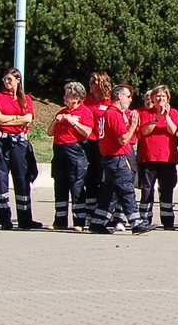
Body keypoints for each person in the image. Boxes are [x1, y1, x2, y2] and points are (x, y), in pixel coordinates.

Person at [0, 68, 44, 230]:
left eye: (10, 79)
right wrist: (16, 119)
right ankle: (5, 219)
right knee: (1, 180)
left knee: (22, 179)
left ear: (18, 80)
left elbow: (27, 119)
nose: (7, 82)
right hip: (0, 144)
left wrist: (7, 121)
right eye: (5, 79)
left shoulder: (26, 100)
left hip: (19, 144)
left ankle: (25, 218)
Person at [90, 84, 145, 235]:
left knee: (110, 191)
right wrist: (133, 125)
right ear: (119, 96)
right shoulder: (113, 114)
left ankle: (97, 222)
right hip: (116, 158)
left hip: (111, 158)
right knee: (126, 189)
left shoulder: (110, 113)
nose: (130, 100)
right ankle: (136, 222)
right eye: (128, 96)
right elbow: (123, 138)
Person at [136, 85, 178, 231]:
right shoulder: (144, 113)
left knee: (167, 189)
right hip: (148, 157)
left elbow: (173, 130)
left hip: (167, 158)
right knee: (147, 189)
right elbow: (144, 131)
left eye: (163, 96)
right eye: (157, 96)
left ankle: (168, 220)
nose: (160, 99)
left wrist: (166, 116)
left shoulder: (173, 113)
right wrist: (156, 119)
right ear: (153, 98)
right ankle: (145, 218)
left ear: (168, 98)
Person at [50, 82, 94, 230]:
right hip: (59, 150)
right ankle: (59, 221)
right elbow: (50, 132)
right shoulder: (61, 112)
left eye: (68, 95)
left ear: (77, 98)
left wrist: (73, 123)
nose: (64, 97)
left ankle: (79, 221)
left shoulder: (85, 112)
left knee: (77, 186)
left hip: (75, 151)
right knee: (60, 185)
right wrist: (56, 121)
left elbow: (87, 132)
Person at [81, 72, 113, 206]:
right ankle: (90, 209)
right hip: (88, 141)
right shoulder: (87, 100)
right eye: (89, 82)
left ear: (102, 83)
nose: (90, 85)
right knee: (90, 176)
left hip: (103, 143)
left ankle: (103, 208)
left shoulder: (110, 101)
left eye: (93, 82)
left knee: (103, 177)